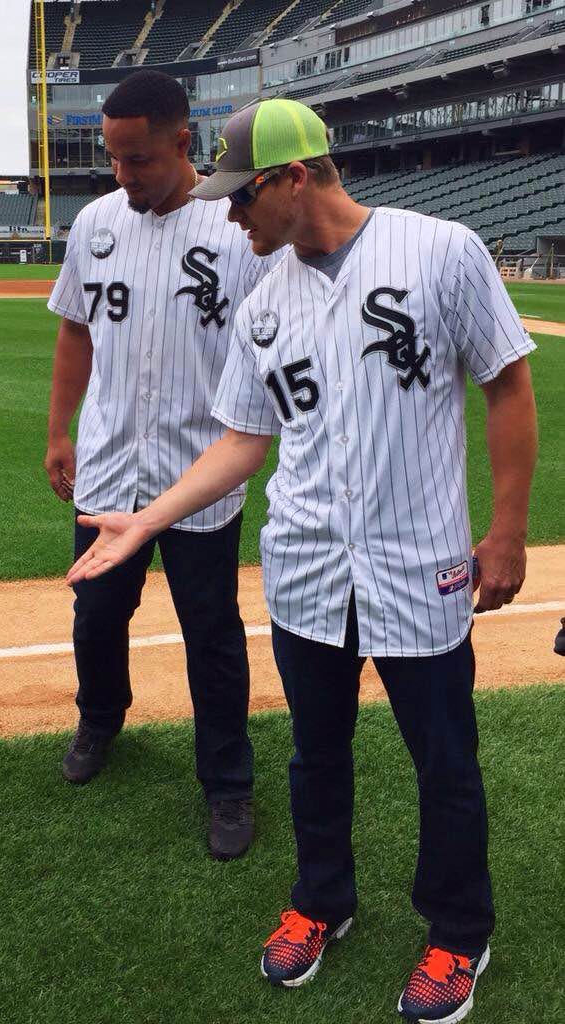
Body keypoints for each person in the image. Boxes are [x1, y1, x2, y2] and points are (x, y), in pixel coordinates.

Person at [66, 98, 538, 1023]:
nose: (230, 215)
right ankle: (324, 901)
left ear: (294, 179)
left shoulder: (440, 250)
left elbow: (508, 382)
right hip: (308, 569)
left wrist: (508, 529)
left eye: (243, 198)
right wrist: (145, 522)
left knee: (444, 762)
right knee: (315, 758)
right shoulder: (264, 296)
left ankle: (458, 931)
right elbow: (242, 440)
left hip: (421, 563)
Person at [45, 69, 283, 860]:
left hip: (200, 476)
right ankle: (99, 719)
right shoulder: (95, 224)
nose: (122, 174)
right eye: (113, 159)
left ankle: (227, 782)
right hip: (110, 466)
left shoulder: (237, 227)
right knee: (97, 615)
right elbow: (75, 329)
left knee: (211, 632)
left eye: (138, 158)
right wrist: (59, 432)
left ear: (183, 143)